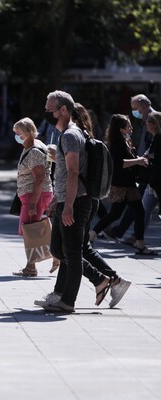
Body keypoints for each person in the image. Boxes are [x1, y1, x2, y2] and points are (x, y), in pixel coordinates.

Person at [37, 90, 92, 313]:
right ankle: (91, 283)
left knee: (71, 253)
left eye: (51, 111)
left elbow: (72, 172)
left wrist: (68, 205)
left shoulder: (70, 135)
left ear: (63, 110)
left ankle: (68, 301)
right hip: (66, 201)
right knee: (59, 249)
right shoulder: (67, 135)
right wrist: (58, 200)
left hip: (75, 202)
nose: (48, 116)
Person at [73, 104, 132, 308]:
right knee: (80, 248)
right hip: (90, 197)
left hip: (82, 198)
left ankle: (108, 280)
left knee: (71, 249)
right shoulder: (87, 136)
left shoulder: (77, 139)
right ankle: (113, 281)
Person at [88, 114, 156, 255]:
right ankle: (139, 243)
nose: (131, 128)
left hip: (128, 183)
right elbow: (120, 163)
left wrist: (139, 160)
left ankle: (93, 234)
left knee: (121, 213)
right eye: (128, 126)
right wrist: (138, 161)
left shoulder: (126, 141)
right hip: (121, 184)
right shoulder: (117, 143)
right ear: (121, 129)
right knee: (129, 212)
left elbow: (129, 160)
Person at [107, 94, 156, 241]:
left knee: (137, 207)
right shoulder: (142, 122)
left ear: (145, 106)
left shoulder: (153, 120)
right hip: (140, 167)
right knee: (138, 207)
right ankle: (132, 236)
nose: (134, 111)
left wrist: (140, 159)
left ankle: (125, 234)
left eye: (135, 108)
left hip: (146, 168)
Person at [10, 117, 54, 277]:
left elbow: (40, 178)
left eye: (18, 133)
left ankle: (36, 264)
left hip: (35, 195)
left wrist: (33, 203)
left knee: (29, 229)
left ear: (28, 133)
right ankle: (32, 265)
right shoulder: (33, 145)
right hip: (33, 194)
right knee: (30, 229)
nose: (16, 136)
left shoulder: (34, 151)